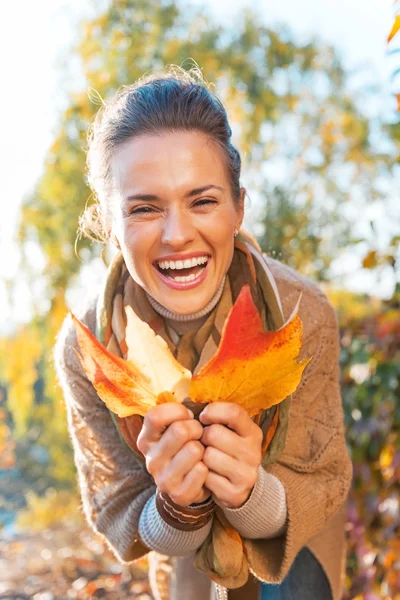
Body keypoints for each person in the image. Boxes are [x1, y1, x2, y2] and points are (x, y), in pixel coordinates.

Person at [54, 65, 353, 600]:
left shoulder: (302, 313)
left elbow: (322, 483)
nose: (177, 235)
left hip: (294, 551)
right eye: (144, 208)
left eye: (203, 201)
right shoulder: (88, 350)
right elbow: (120, 510)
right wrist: (177, 505)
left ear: (239, 206)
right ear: (107, 223)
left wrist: (250, 494)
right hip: (186, 567)